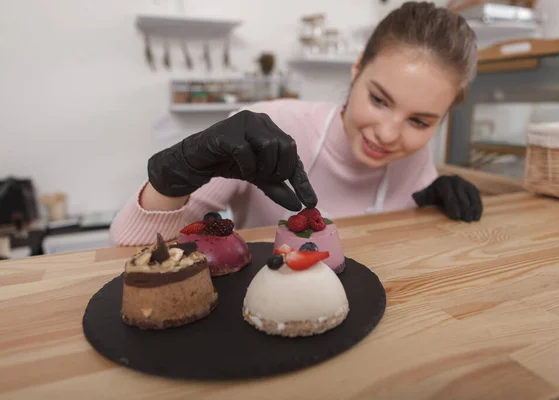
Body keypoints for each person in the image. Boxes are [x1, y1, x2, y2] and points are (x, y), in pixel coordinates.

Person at [109, 1, 483, 247]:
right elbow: (128, 244)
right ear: (356, 73)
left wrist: (432, 198)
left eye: (420, 121)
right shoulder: (274, 128)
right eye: (379, 100)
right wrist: (178, 171)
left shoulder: (414, 155)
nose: (388, 134)